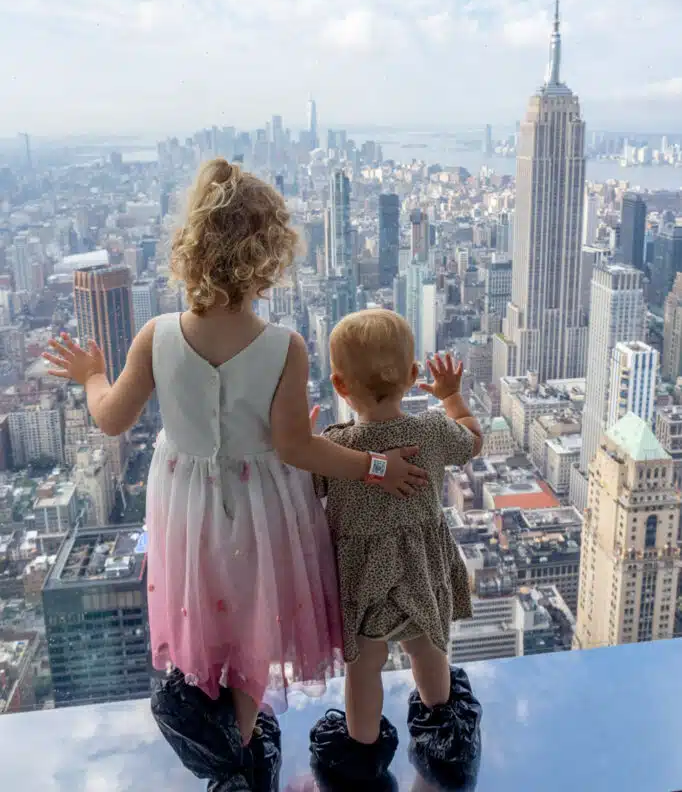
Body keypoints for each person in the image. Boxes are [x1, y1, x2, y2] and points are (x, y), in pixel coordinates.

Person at [43, 160, 426, 792]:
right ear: (270, 255)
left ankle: (220, 739)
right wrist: (376, 465)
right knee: (254, 615)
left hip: (185, 506)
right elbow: (297, 447)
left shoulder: (156, 336)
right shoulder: (283, 346)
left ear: (189, 244)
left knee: (209, 612)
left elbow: (111, 419)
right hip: (265, 505)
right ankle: (240, 741)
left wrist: (90, 373)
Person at [308, 309, 484, 787]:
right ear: (412, 376)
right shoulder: (430, 431)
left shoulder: (337, 446)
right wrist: (450, 396)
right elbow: (473, 440)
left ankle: (360, 752)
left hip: (362, 575)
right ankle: (443, 731)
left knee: (365, 663)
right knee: (427, 646)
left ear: (341, 387)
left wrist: (299, 438)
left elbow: (303, 482)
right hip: (421, 568)